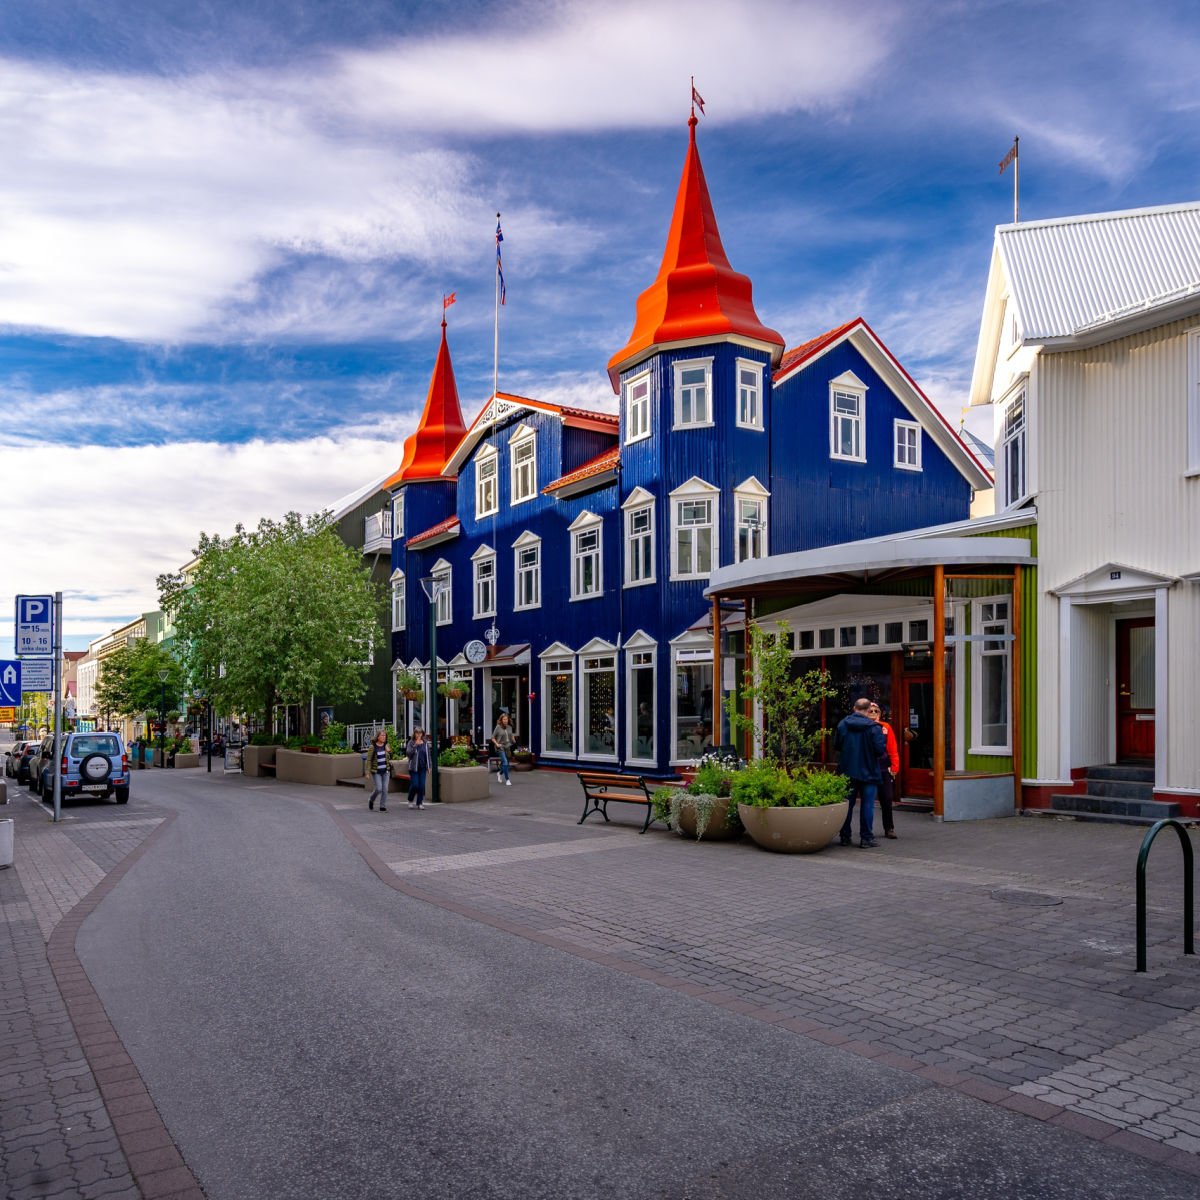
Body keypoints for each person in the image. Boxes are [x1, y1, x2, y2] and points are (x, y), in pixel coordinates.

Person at [834, 697, 887, 848]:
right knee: (867, 805)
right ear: (868, 710)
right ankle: (866, 838)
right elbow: (880, 750)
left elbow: (837, 745)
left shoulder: (843, 724)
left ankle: (845, 836)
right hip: (869, 771)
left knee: (847, 805)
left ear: (854, 708)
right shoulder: (874, 728)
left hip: (847, 770)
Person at [868, 702, 900, 839]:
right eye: (871, 711)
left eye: (876, 711)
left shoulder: (886, 727)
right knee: (868, 801)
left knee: (887, 798)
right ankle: (867, 831)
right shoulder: (863, 728)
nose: (874, 713)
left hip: (883, 768)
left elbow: (892, 749)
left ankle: (889, 828)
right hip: (868, 768)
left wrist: (895, 766)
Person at [406, 727, 431, 809]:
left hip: (422, 767)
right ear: (414, 734)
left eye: (420, 733)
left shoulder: (425, 743)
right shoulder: (411, 742)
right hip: (413, 767)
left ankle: (419, 803)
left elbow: (428, 755)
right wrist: (415, 745)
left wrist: (429, 766)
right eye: (417, 733)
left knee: (422, 785)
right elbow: (408, 754)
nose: (418, 735)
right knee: (415, 785)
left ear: (422, 734)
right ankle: (410, 799)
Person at [367, 729, 390, 811]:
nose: (384, 737)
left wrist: (389, 751)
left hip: (386, 771)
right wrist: (367, 772)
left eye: (385, 735)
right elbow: (369, 760)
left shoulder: (386, 745)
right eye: (382, 735)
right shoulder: (373, 747)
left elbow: (391, 756)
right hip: (376, 771)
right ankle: (371, 799)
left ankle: (382, 806)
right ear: (378, 737)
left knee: (385, 789)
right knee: (379, 789)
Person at [491, 712, 516, 786]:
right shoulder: (498, 727)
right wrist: (497, 744)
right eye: (504, 719)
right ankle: (507, 779)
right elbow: (492, 737)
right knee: (505, 762)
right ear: (501, 720)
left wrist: (513, 740)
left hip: (508, 747)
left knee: (506, 764)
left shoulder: (509, 727)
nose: (505, 720)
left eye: (506, 719)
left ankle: (499, 773)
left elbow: (511, 736)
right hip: (500, 747)